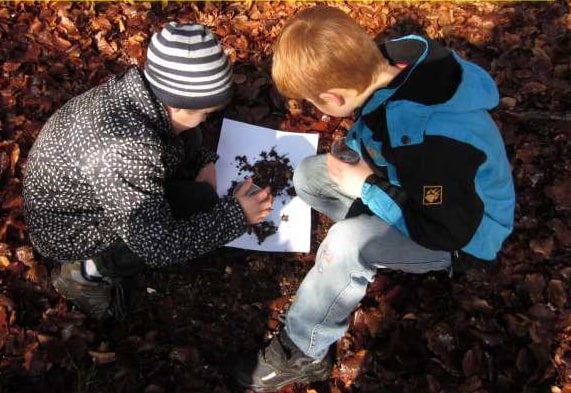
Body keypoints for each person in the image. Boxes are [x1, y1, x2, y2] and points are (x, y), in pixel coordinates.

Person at [231, 6, 515, 392]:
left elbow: (446, 227)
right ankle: (363, 249)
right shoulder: (383, 65)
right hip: (413, 187)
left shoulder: (435, 140)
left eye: (315, 104)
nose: (316, 111)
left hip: (463, 236)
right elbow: (383, 129)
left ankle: (305, 350)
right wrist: (357, 157)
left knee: (347, 243)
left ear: (333, 96)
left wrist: (367, 187)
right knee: (308, 177)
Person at [22, 22, 273, 321]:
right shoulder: (129, 151)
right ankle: (84, 273)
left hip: (82, 194)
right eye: (205, 113)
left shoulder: (138, 92)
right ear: (179, 105)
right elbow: (158, 246)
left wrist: (203, 161)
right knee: (194, 204)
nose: (206, 119)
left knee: (193, 169)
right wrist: (236, 216)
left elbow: (183, 132)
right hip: (69, 232)